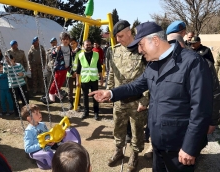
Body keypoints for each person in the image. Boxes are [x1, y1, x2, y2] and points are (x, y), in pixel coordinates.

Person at [89, 22, 213, 172]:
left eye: (141, 45)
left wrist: (190, 147)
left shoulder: (192, 62)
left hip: (179, 147)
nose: (139, 50)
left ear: (155, 40)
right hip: (158, 144)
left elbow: (201, 109)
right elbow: (135, 86)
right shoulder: (153, 64)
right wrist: (111, 93)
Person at [106, 20, 149, 171]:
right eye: (116, 37)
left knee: (137, 130)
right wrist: (109, 91)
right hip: (119, 100)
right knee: (118, 127)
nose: (118, 40)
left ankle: (134, 155)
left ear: (129, 32)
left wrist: (145, 100)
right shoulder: (115, 50)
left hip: (136, 101)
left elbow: (149, 76)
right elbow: (112, 72)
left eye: (120, 36)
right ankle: (118, 151)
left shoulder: (141, 49)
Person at [189, 36, 220, 133]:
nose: (192, 45)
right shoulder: (190, 50)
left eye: (194, 43)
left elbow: (211, 63)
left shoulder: (205, 51)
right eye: (191, 43)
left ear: (199, 42)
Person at [76, 39, 103, 120]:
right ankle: (86, 112)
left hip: (94, 79)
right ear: (83, 46)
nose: (88, 46)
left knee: (95, 96)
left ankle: (96, 113)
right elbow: (78, 69)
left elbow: (99, 67)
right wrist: (77, 80)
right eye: (86, 45)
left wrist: (101, 78)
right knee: (85, 97)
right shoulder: (80, 55)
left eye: (89, 44)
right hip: (84, 79)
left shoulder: (96, 54)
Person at [49, 32, 73, 102]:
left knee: (61, 81)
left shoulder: (69, 47)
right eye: (64, 39)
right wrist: (56, 50)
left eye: (67, 39)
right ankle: (51, 93)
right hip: (59, 68)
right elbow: (53, 55)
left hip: (65, 67)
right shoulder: (59, 47)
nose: (66, 41)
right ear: (61, 40)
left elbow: (71, 55)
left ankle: (57, 92)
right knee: (56, 81)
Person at [67, 37, 82, 109]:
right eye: (71, 43)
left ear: (77, 43)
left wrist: (77, 72)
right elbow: (66, 63)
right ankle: (70, 103)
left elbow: (82, 63)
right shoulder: (67, 52)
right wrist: (71, 72)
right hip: (69, 74)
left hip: (78, 74)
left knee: (78, 88)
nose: (72, 45)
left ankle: (77, 103)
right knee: (70, 90)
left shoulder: (80, 52)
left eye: (74, 43)